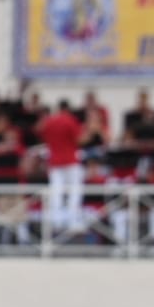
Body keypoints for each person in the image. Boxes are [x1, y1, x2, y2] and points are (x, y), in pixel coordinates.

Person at [37, 99, 85, 231]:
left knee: (56, 192)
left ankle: (56, 221)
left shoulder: (49, 122)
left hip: (55, 161)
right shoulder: (70, 120)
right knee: (74, 191)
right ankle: (72, 221)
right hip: (70, 160)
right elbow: (79, 140)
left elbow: (41, 135)